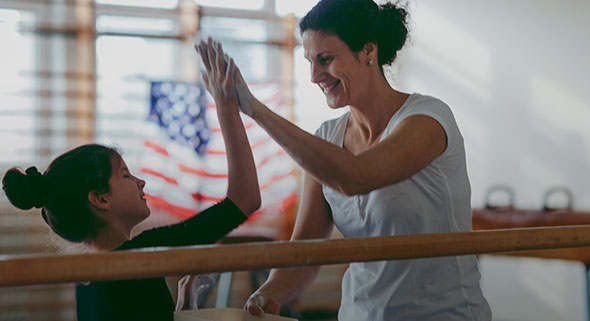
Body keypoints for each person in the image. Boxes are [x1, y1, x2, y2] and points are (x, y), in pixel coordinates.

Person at [196, 0, 492, 320]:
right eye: (309, 61)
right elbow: (306, 251)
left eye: (325, 59)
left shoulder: (429, 119)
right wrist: (264, 294)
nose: (314, 76)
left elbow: (356, 177)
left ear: (368, 51)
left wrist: (254, 108)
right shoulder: (327, 138)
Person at [1, 40, 260, 321]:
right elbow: (244, 199)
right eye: (125, 175)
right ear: (100, 199)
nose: (141, 183)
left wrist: (183, 307)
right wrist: (225, 105)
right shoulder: (140, 254)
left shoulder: (85, 277)